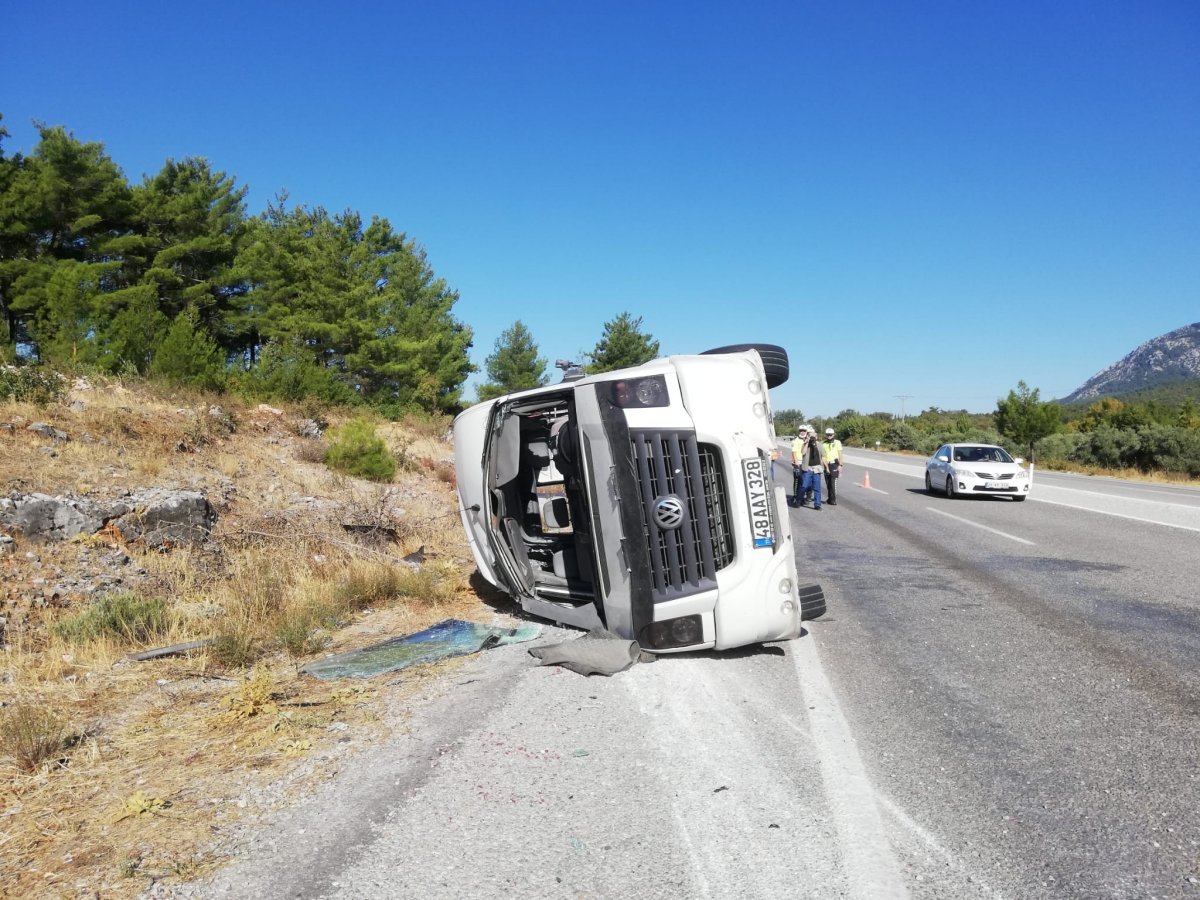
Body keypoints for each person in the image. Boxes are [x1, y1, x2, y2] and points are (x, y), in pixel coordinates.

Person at [792, 425, 823, 510]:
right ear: (807, 436)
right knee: (804, 486)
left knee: (817, 488)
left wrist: (825, 467)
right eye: (810, 435)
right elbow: (803, 452)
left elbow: (823, 456)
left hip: (817, 469)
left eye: (813, 436)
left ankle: (817, 504)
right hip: (807, 468)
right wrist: (806, 443)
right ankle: (798, 501)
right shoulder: (805, 444)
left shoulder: (819, 445)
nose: (812, 437)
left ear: (816, 436)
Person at [821, 427, 844, 506]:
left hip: (834, 464)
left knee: (833, 482)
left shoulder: (837, 442)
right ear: (825, 435)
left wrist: (840, 465)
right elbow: (822, 456)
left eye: (830, 435)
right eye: (828, 435)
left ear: (833, 435)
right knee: (828, 483)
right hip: (826, 464)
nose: (829, 436)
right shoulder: (823, 444)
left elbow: (840, 454)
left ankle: (833, 500)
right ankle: (830, 498)